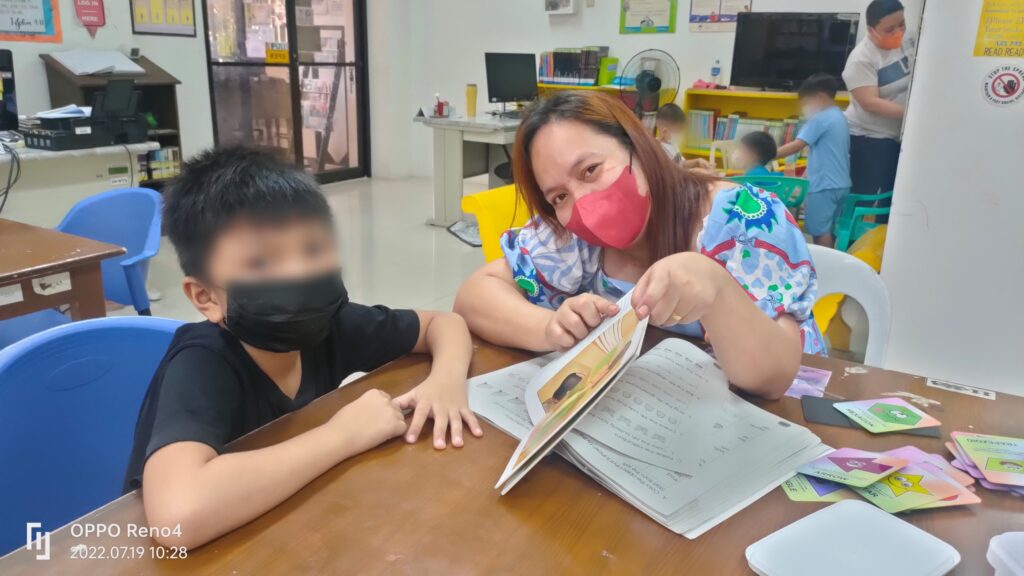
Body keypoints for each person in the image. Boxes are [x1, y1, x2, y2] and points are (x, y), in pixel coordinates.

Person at [124, 147, 482, 549]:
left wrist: (446, 381)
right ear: (206, 297)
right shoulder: (202, 362)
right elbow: (178, 514)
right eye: (260, 262)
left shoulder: (331, 323)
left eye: (313, 249)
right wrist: (342, 435)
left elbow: (444, 324)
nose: (299, 273)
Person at [454, 91, 826, 400]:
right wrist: (550, 326)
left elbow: (772, 379)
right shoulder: (572, 239)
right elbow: (475, 296)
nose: (582, 203)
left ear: (637, 146)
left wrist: (717, 290)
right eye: (559, 196)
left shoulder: (744, 219)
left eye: (590, 170)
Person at [842, 0, 916, 223]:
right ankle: (850, 241)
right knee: (863, 198)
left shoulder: (909, 38)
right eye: (889, 29)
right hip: (869, 138)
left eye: (901, 24)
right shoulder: (860, 59)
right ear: (871, 30)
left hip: (900, 135)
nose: (898, 32)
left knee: (893, 198)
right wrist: (914, 113)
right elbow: (870, 102)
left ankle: (885, 241)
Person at [776, 73, 851, 247]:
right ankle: (831, 260)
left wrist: (767, 154)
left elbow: (797, 145)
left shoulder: (820, 118)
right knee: (829, 229)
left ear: (820, 97)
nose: (805, 108)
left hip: (823, 186)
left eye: (807, 102)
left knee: (819, 232)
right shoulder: (839, 116)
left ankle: (822, 263)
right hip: (841, 184)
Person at [655, 103, 714, 171]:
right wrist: (695, 172)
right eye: (678, 131)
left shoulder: (672, 143)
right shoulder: (657, 149)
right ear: (665, 132)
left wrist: (697, 161)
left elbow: (681, 163)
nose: (681, 134)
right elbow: (672, 171)